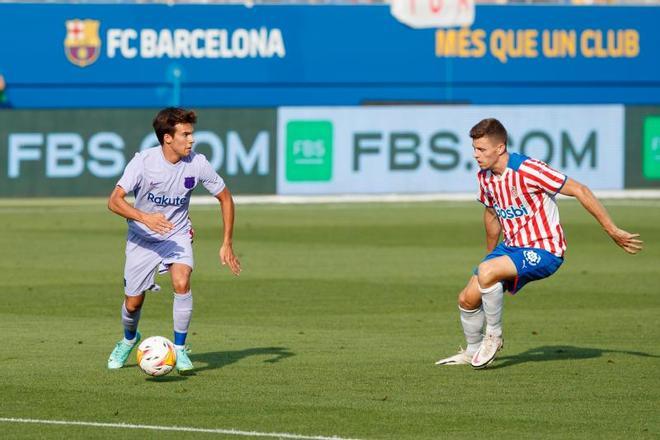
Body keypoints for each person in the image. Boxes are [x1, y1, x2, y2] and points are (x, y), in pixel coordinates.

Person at [435, 118, 642, 369]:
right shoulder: (485, 177)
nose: (475, 155)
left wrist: (612, 229)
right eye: (474, 149)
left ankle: (494, 337)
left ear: (500, 148)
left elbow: (580, 190)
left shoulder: (529, 169)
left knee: (487, 274)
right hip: (511, 247)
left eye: (481, 149)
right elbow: (491, 214)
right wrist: (489, 259)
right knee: (467, 298)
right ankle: (472, 350)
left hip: (545, 249)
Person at [107, 107, 241, 374]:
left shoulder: (197, 163)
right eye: (185, 134)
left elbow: (225, 197)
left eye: (192, 134)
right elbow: (114, 201)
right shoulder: (143, 162)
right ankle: (129, 339)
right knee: (133, 303)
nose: (191, 140)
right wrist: (145, 218)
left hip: (177, 233)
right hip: (142, 238)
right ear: (167, 138)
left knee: (181, 282)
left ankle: (179, 349)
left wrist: (227, 242)